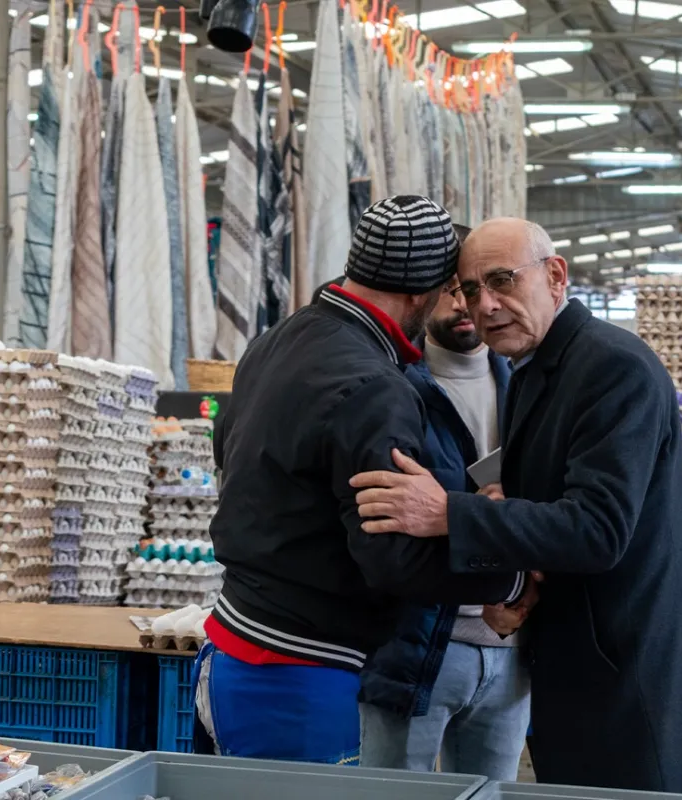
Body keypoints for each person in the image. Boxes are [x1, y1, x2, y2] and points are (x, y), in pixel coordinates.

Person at [349, 217, 682, 796]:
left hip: (634, 673)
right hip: (578, 662)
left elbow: (597, 529)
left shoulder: (612, 368)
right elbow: (549, 510)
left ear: (556, 276)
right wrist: (520, 587)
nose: (485, 305)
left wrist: (450, 513)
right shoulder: (534, 370)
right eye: (470, 289)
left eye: (503, 280)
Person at [193, 198, 526, 764]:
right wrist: (510, 580)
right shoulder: (375, 386)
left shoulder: (279, 339)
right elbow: (391, 557)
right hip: (300, 674)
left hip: (233, 647)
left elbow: (227, 447)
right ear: (425, 292)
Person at [357, 224, 532, 780]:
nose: (466, 305)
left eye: (479, 289)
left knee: (492, 794)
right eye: (454, 289)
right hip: (417, 645)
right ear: (425, 293)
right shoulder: (392, 388)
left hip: (509, 645)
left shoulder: (527, 384)